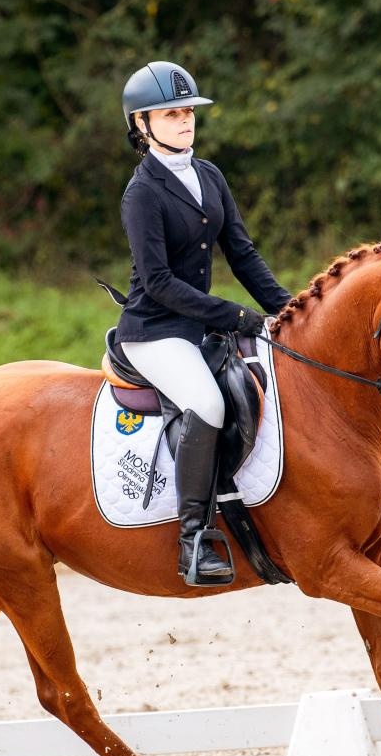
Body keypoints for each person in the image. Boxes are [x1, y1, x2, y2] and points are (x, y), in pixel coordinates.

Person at [116, 61, 293, 585]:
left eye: (189, 111)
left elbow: (242, 253)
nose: (185, 121)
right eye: (172, 114)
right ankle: (194, 539)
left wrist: (289, 310)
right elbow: (159, 283)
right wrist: (236, 315)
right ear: (142, 125)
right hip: (153, 330)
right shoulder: (142, 192)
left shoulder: (209, 175)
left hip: (196, 326)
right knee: (208, 403)